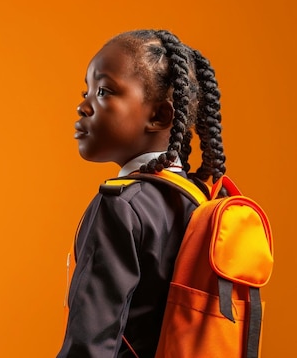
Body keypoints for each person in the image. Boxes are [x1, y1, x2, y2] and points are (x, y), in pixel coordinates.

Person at [57, 29, 226, 357]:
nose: (83, 106)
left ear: (160, 115)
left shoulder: (120, 206)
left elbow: (91, 341)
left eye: (103, 91)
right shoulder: (198, 200)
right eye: (87, 91)